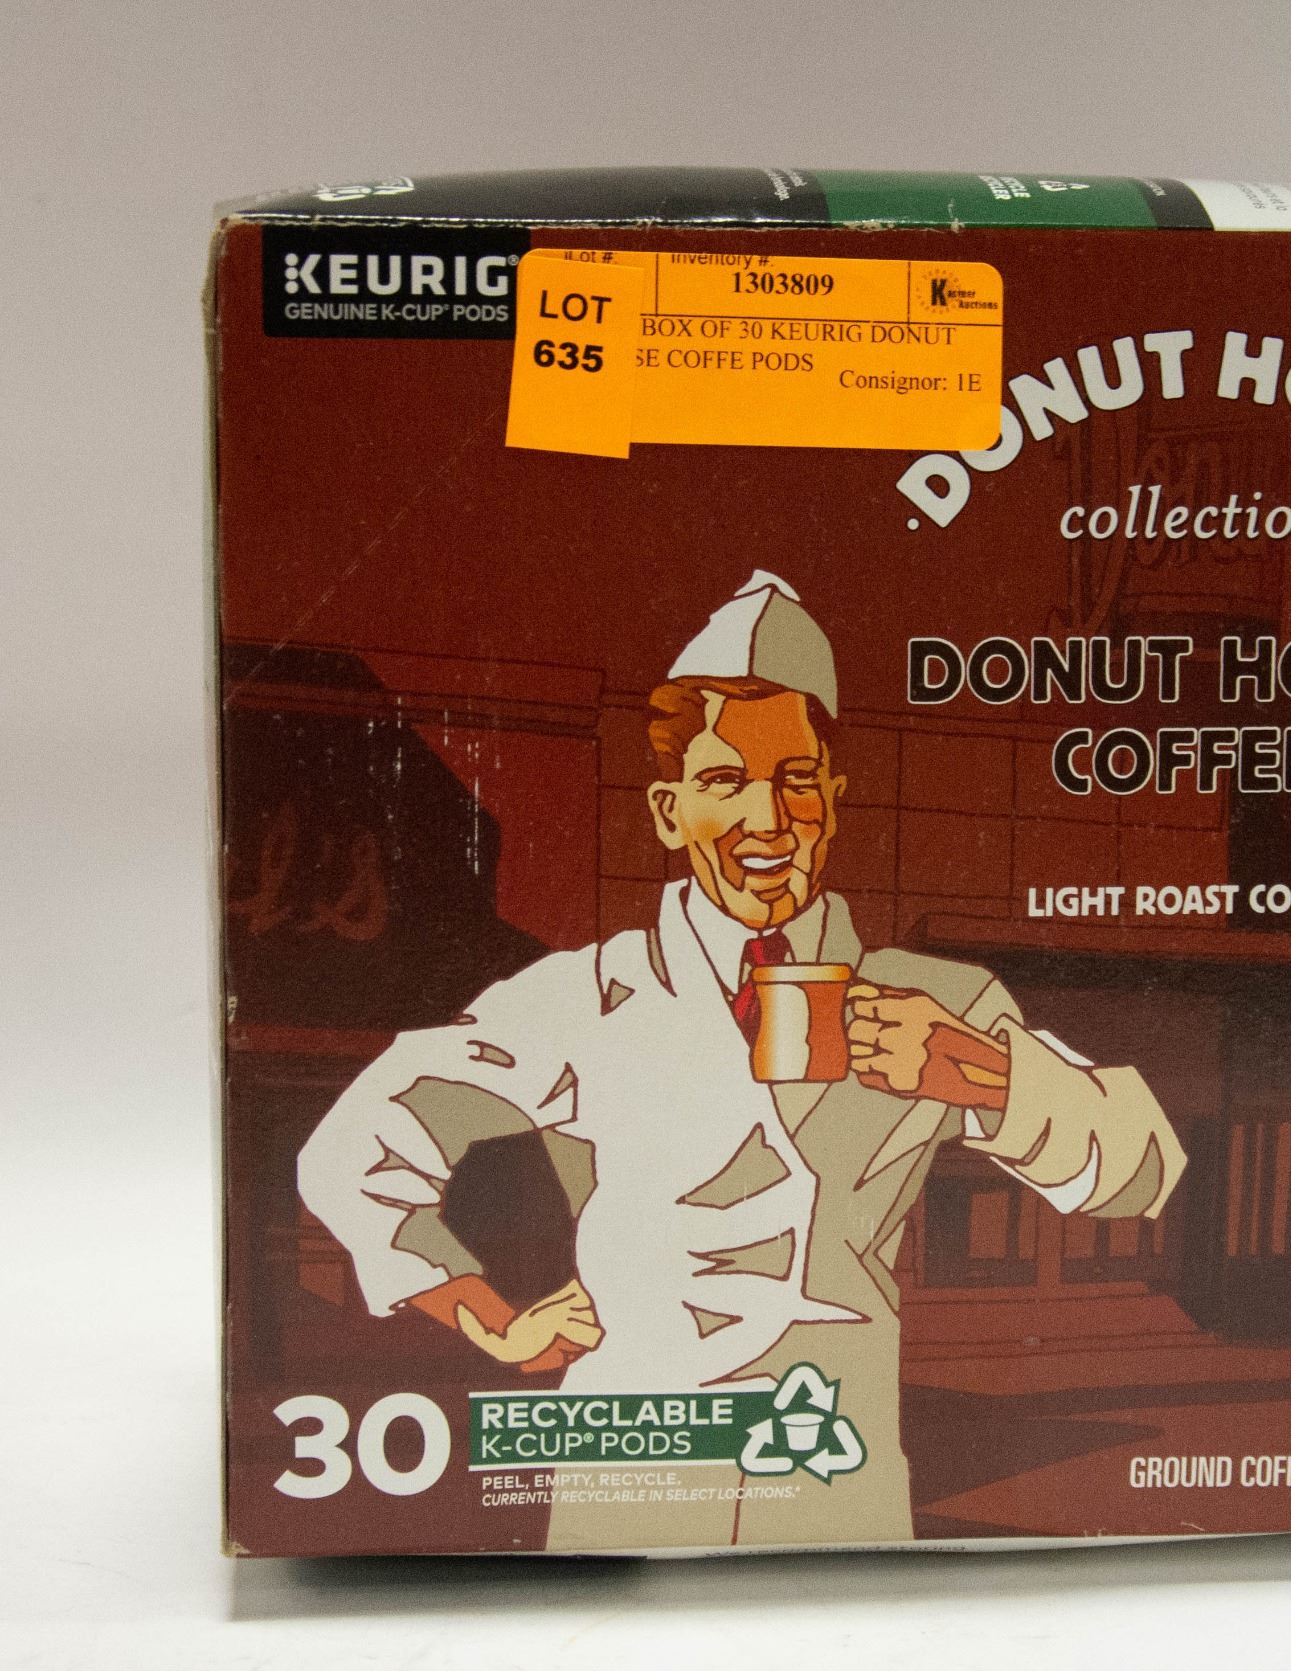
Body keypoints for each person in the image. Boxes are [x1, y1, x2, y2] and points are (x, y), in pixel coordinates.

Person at [297, 572, 1186, 1550]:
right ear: (669, 812)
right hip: (629, 1470)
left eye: (797, 779)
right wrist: (488, 1317)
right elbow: (355, 1150)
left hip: (831, 1470)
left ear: (833, 803)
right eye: (726, 782)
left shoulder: (940, 1003)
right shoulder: (586, 998)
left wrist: (984, 1075)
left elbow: (1143, 1170)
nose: (768, 819)